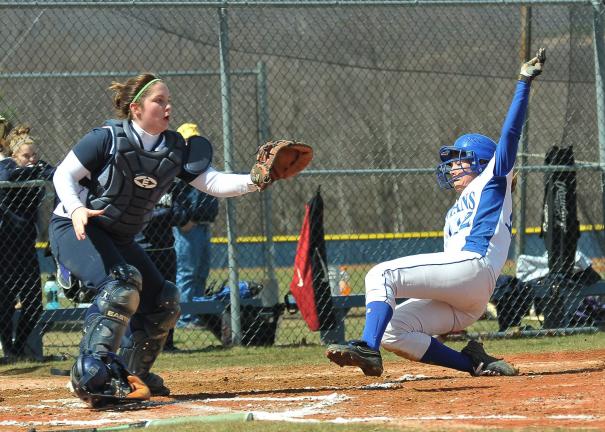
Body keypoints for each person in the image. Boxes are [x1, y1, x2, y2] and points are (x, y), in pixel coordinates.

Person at [326, 49, 546, 377]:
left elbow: (510, 136)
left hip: (473, 268)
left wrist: (523, 83)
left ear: (482, 161)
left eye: (461, 159)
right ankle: (474, 363)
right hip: (466, 296)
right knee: (394, 331)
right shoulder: (455, 210)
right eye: (452, 161)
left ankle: (367, 349)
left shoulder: (493, 178)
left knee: (380, 275)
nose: (454, 166)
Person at [49, 73, 263, 407]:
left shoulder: (174, 148)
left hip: (118, 236)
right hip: (75, 227)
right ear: (136, 108)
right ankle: (93, 374)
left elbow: (212, 183)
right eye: (159, 101)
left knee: (164, 299)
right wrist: (76, 207)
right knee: (121, 284)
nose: (167, 107)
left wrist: (256, 179)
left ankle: (133, 374)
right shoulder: (105, 138)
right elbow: (63, 174)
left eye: (168, 101)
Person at [0, 129, 54, 360]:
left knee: (33, 303)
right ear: (14, 156)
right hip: (5, 247)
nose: (32, 159)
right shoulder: (6, 167)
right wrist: (32, 170)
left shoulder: (37, 167)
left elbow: (55, 171)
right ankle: (9, 349)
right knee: (5, 301)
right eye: (26, 156)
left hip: (27, 246)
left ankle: (20, 347)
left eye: (34, 155)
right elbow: (9, 176)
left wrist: (37, 168)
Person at [173, 123, 219, 329]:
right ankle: (185, 318)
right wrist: (183, 221)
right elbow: (172, 201)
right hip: (188, 229)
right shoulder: (178, 169)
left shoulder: (203, 165)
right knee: (187, 273)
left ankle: (198, 314)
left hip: (203, 225)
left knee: (201, 272)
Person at [134, 186, 190, 351]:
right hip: (140, 250)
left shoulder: (172, 187)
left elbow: (182, 217)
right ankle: (138, 342)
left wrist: (155, 214)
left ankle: (166, 343)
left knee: (168, 297)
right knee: (138, 298)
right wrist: (166, 213)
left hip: (165, 252)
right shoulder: (137, 184)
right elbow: (137, 217)